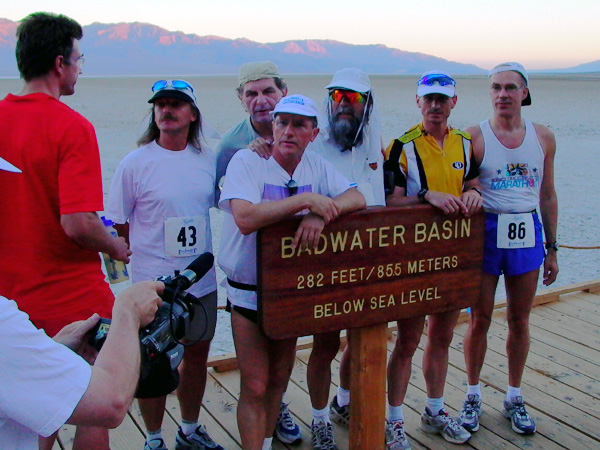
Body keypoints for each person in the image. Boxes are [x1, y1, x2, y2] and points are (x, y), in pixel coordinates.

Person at [0, 12, 131, 450]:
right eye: (79, 58)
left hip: (9, 303)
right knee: (93, 411)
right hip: (70, 298)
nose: (79, 68)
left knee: (31, 419)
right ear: (60, 64)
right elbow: (77, 224)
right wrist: (116, 245)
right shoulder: (72, 127)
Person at [218, 95, 366, 450]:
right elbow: (245, 218)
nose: (288, 130)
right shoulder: (248, 161)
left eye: (299, 124)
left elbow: (357, 197)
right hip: (248, 290)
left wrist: (322, 212)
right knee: (254, 383)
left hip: (291, 289)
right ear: (272, 126)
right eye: (282, 122)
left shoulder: (316, 167)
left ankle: (265, 444)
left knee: (279, 379)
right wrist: (304, 202)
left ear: (313, 133)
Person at [106, 80, 223, 450]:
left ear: (192, 114)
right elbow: (115, 223)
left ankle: (188, 430)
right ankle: (154, 439)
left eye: (176, 104)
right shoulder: (134, 163)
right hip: (150, 288)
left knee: (197, 359)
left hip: (200, 286)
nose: (167, 110)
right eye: (161, 104)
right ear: (154, 113)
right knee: (152, 366)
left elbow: (232, 205)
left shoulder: (208, 160)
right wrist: (122, 276)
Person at [383, 71, 482, 449]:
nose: (436, 105)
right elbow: (390, 201)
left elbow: (471, 184)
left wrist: (474, 195)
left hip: (453, 256)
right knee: (407, 340)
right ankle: (394, 420)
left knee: (442, 336)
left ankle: (434, 410)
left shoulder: (463, 143)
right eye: (429, 99)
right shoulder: (401, 145)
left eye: (443, 98)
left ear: (454, 102)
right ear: (418, 102)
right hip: (414, 258)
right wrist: (427, 195)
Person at [459, 62, 558, 436]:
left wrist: (552, 248)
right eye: (496, 88)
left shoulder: (544, 137)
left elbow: (547, 194)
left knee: (520, 319)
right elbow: (464, 185)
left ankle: (514, 396)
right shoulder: (474, 137)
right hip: (486, 229)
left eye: (510, 88)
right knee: (479, 319)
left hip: (525, 229)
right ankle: (472, 394)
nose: (503, 94)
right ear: (490, 94)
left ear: (524, 93)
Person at [215, 61, 302, 445]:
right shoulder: (232, 148)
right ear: (240, 100)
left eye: (268, 91)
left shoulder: (305, 135)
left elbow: (342, 186)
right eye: (251, 93)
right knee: (255, 381)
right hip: (248, 277)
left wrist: (316, 207)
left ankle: (275, 413)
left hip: (291, 277)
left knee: (278, 378)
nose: (261, 100)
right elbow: (236, 213)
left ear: (283, 92)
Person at [304, 68, 385, 450]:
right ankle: (319, 419)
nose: (344, 106)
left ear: (367, 105)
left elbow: (377, 198)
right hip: (323, 265)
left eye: (353, 99)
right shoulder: (313, 145)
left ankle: (346, 402)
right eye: (337, 97)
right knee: (324, 344)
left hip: (365, 262)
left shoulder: (374, 144)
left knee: (362, 338)